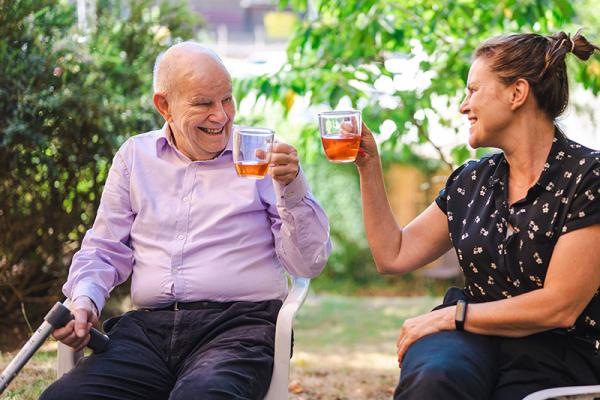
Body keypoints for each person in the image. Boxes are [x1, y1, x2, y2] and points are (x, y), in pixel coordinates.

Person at [40, 42, 331, 400]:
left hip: (239, 328)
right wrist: (84, 301)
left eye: (227, 100)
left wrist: (292, 187)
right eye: (204, 103)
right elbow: (103, 249)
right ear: (164, 106)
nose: (222, 116)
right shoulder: (136, 156)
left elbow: (308, 262)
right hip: (148, 332)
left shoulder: (264, 156)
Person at [355, 30, 600, 399]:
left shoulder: (587, 177)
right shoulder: (471, 181)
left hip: (556, 349)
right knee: (433, 379)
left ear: (517, 93)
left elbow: (559, 307)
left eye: (473, 91)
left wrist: (448, 316)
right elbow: (393, 254)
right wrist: (369, 165)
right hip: (471, 341)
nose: (463, 106)